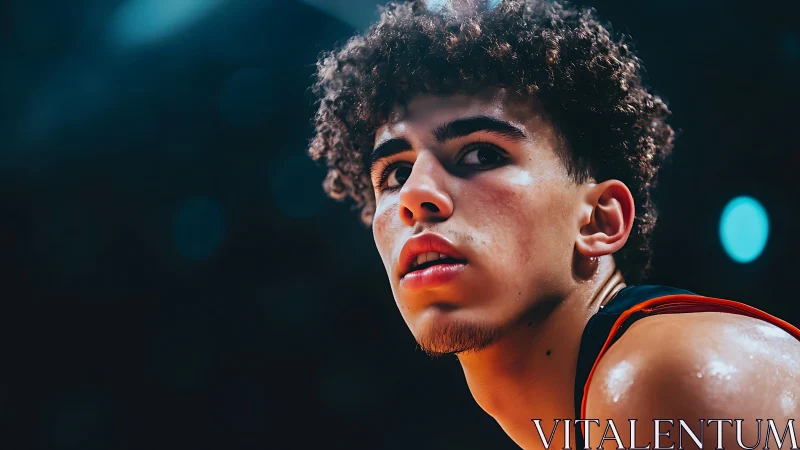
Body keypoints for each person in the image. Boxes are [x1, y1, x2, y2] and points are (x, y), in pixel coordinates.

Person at [307, 1, 800, 448]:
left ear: (598, 220)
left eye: (480, 153)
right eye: (394, 173)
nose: (415, 195)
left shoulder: (656, 379)